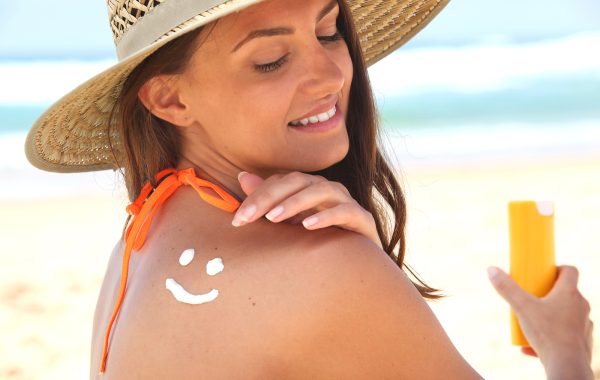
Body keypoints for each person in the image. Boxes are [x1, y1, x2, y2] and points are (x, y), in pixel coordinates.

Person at [25, 0, 593, 378]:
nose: (332, 74)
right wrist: (565, 350)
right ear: (170, 100)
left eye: (328, 31)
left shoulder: (140, 241)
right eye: (270, 61)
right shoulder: (320, 265)